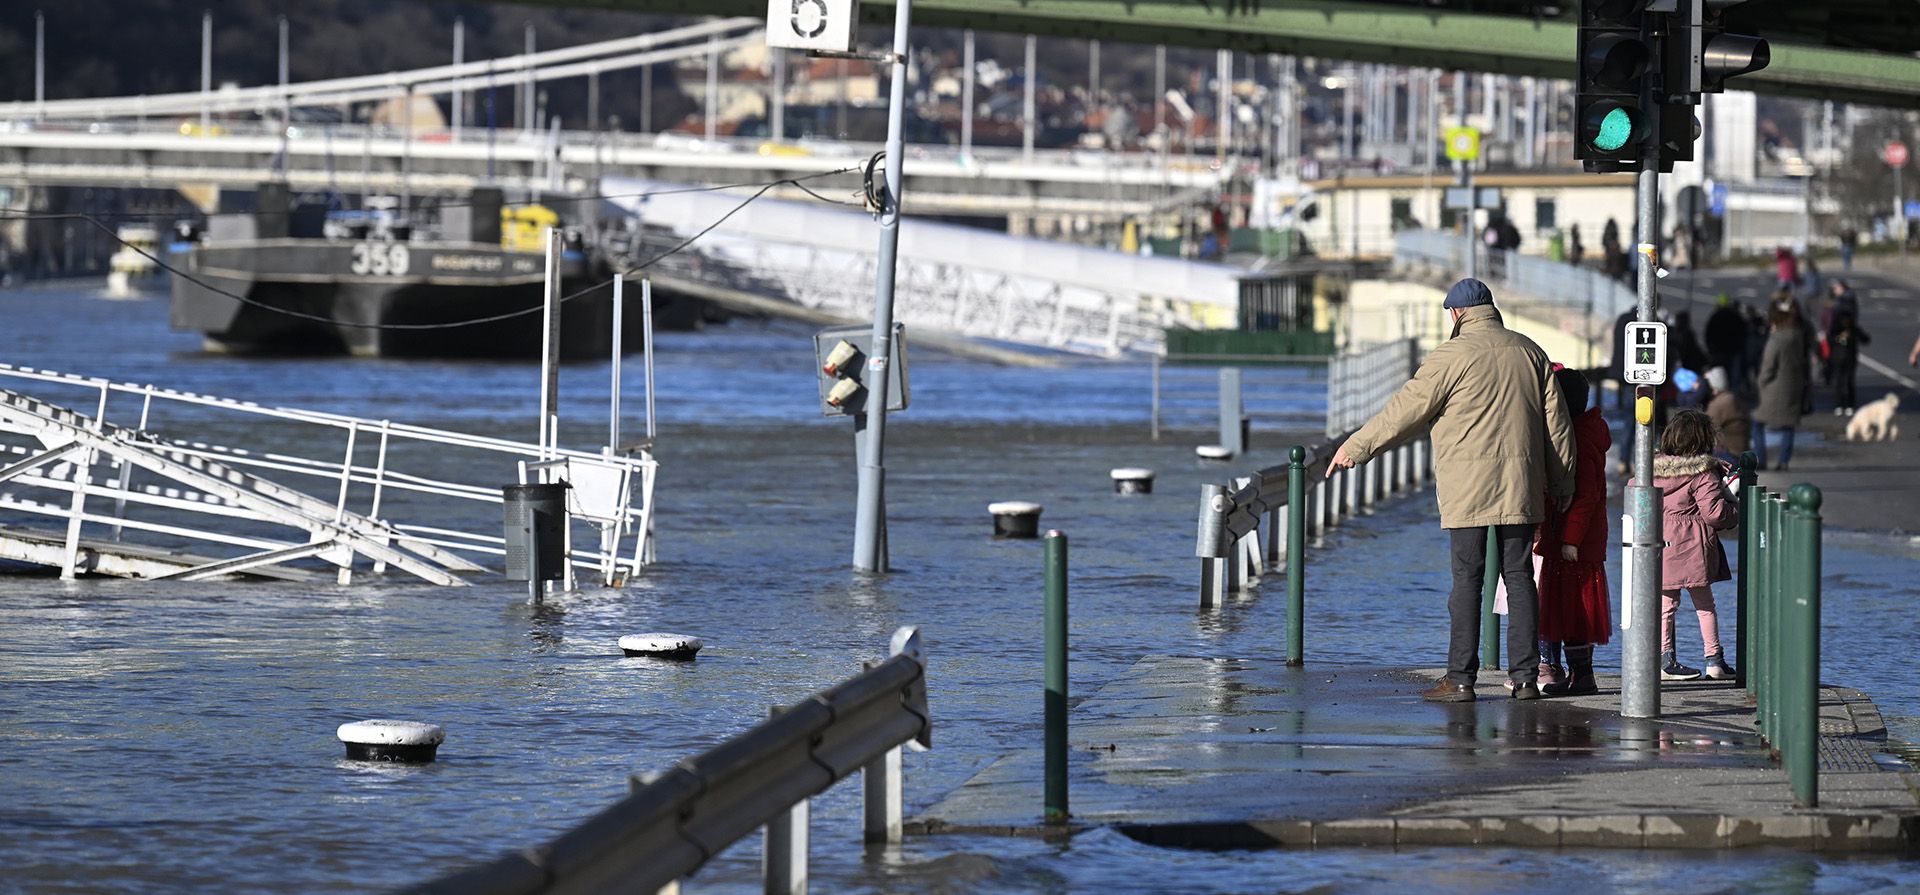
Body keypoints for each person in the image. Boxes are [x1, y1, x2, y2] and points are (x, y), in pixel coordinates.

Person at [1328, 278, 1576, 702]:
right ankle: (1526, 678)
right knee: (1519, 579)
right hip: (1522, 486)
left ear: (1457, 314)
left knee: (1467, 581)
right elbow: (1558, 428)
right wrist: (1562, 485)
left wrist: (1356, 447)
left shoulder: (1450, 356)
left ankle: (1460, 680)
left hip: (1468, 489)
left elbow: (1403, 411)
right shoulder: (1530, 352)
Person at [1641, 410, 1739, 682]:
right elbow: (1715, 514)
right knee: (1705, 605)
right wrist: (1737, 510)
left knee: (1666, 605)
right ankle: (1714, 660)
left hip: (1660, 543)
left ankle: (1665, 659)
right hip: (1694, 545)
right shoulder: (1702, 473)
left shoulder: (1651, 468)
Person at [1536, 367, 1611, 697]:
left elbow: (1584, 496)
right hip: (1578, 539)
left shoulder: (1576, 441)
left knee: (1572, 611)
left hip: (1572, 543)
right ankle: (1580, 674)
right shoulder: (1588, 432)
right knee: (1573, 611)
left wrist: (1569, 540)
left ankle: (1581, 676)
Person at [1753, 303, 1810, 470]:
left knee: (1758, 423)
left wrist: (1762, 383)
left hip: (1774, 388)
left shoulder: (1776, 339)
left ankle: (1761, 459)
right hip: (1793, 385)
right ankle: (1784, 460)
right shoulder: (1798, 337)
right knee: (1788, 425)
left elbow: (1768, 365)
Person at [1704, 367, 1751, 464]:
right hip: (1741, 449)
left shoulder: (1719, 404)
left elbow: (1707, 427)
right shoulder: (1733, 398)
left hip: (1728, 452)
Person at [1829, 312, 1872, 415]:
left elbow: (1865, 339)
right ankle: (1841, 405)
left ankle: (1846, 405)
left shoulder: (1852, 329)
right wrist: (1840, 339)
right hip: (1841, 358)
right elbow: (1831, 340)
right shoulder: (1839, 329)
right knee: (1842, 382)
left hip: (1846, 358)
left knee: (1846, 381)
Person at [1704, 295, 1749, 391]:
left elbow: (1708, 334)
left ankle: (1717, 392)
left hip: (1717, 351)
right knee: (1731, 375)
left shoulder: (1715, 317)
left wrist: (1710, 348)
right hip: (1731, 351)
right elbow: (1743, 331)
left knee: (1717, 374)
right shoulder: (1734, 316)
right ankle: (1730, 394)